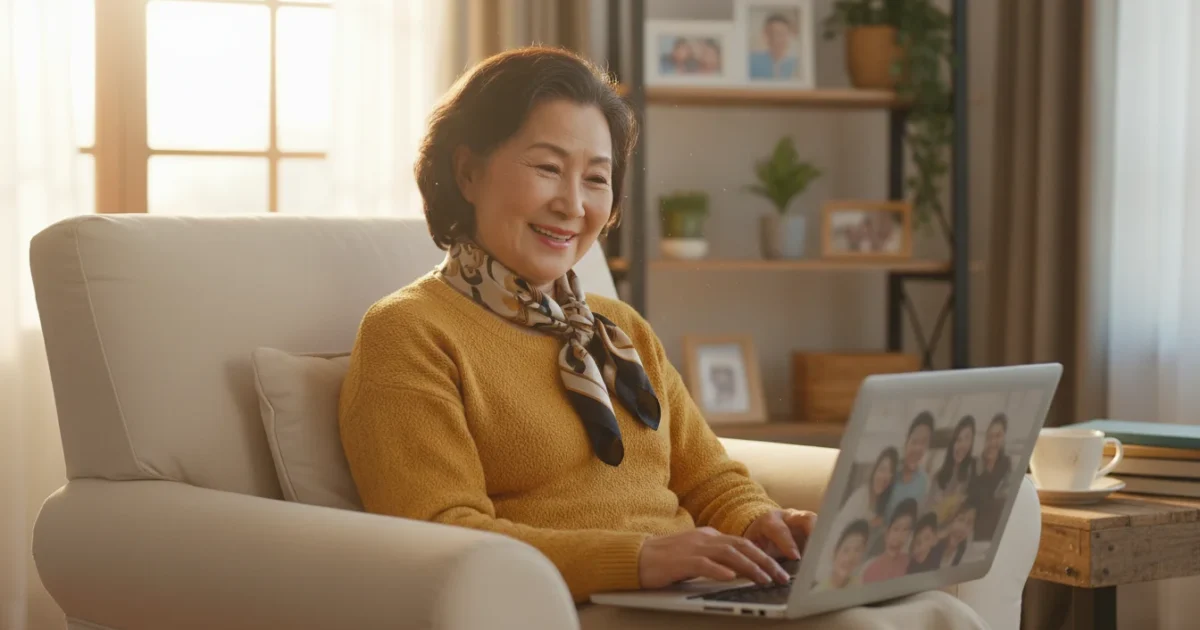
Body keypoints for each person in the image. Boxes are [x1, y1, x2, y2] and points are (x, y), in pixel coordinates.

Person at [337, 46, 816, 609]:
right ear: (467, 171)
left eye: (596, 178)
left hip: (689, 596)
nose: (572, 204)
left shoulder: (620, 328)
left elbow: (709, 479)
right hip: (569, 608)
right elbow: (441, 533)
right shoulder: (410, 332)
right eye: (547, 168)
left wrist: (761, 524)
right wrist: (636, 561)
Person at [822, 447, 897, 568]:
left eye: (890, 472)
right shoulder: (860, 497)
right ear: (875, 470)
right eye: (882, 470)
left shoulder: (883, 502)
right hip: (836, 555)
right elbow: (839, 532)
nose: (885, 476)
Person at [926, 415, 977, 533]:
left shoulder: (972, 474)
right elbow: (928, 515)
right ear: (952, 444)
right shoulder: (938, 477)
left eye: (967, 438)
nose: (962, 445)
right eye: (958, 440)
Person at [969, 413, 1013, 541]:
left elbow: (1005, 496)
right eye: (990, 437)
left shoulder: (1006, 463)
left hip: (997, 529)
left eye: (998, 436)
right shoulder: (976, 464)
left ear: (1004, 437)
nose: (993, 442)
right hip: (976, 527)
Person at [885, 412, 934, 521]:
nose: (918, 448)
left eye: (924, 443)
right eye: (915, 441)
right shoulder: (889, 471)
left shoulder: (924, 482)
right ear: (907, 440)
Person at [860, 498, 918, 583]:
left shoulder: (910, 563)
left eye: (905, 529)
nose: (900, 535)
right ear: (887, 531)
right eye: (896, 529)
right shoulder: (870, 569)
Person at [816, 519, 870, 591]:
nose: (851, 558)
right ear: (834, 553)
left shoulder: (860, 587)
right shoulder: (819, 591)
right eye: (846, 550)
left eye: (857, 550)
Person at [749, 13, 799, 79]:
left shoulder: (797, 64)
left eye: (781, 33)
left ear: (789, 35)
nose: (776, 39)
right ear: (766, 35)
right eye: (772, 33)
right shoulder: (751, 61)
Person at [931, 500, 978, 569]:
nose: (963, 527)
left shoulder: (962, 548)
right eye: (960, 519)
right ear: (949, 520)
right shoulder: (932, 546)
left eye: (969, 523)